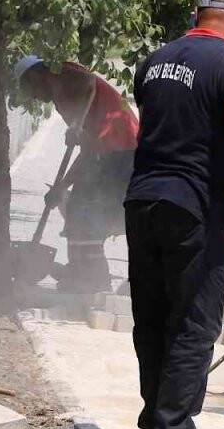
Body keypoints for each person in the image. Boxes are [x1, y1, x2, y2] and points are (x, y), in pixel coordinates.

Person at [124, 0, 224, 429]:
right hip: (195, 204)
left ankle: (155, 419)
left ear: (197, 12)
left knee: (152, 315)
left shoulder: (154, 62)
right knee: (195, 319)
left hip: (143, 199)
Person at [13, 57, 139, 293]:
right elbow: (88, 149)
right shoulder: (61, 99)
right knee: (79, 210)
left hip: (123, 149)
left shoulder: (59, 71)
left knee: (89, 213)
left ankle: (94, 281)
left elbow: (89, 80)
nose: (33, 97)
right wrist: (60, 187)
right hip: (105, 152)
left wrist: (76, 126)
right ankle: (81, 274)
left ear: (36, 76)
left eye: (30, 89)